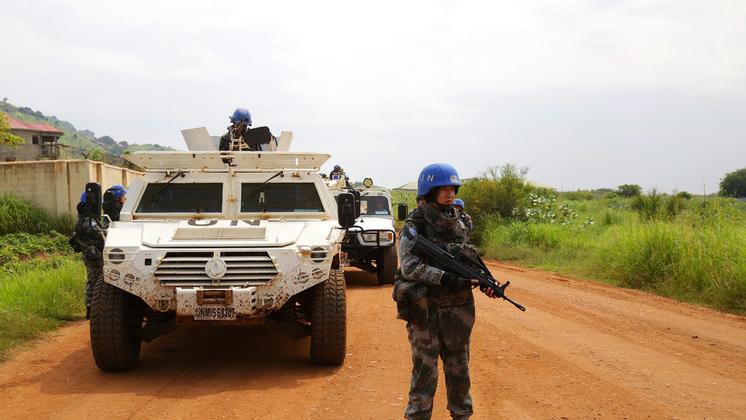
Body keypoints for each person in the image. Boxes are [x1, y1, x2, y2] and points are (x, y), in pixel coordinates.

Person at [394, 163, 498, 420]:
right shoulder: (415, 225)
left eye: (453, 189)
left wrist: (484, 280)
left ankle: (462, 415)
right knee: (424, 374)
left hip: (458, 311)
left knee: (459, 370)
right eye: (444, 189)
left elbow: (466, 258)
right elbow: (409, 267)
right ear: (430, 191)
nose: (450, 193)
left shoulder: (460, 221)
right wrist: (445, 278)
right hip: (425, 310)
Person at [70, 191, 106, 319]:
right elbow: (100, 235)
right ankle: (91, 308)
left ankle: (92, 307)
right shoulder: (88, 221)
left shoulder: (87, 218)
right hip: (93, 256)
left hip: (92, 255)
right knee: (95, 281)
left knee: (94, 280)